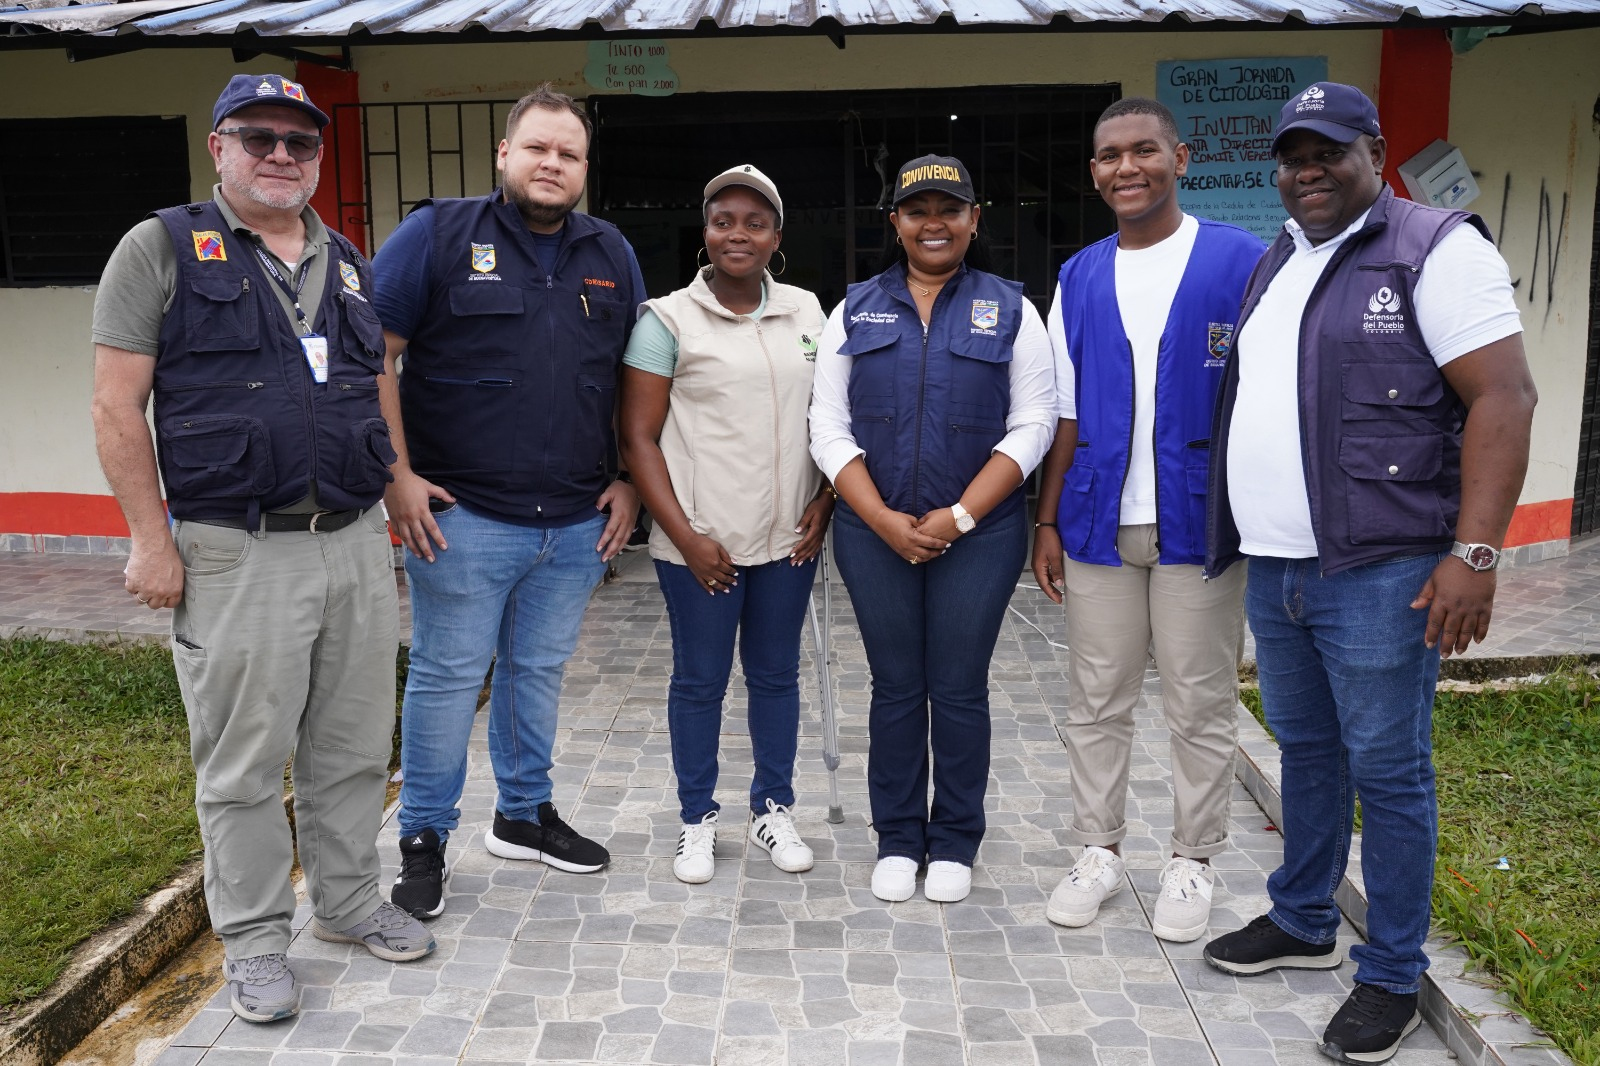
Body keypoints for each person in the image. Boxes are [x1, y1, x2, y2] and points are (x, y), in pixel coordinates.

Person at [1200, 82, 1536, 1064]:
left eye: (1328, 153)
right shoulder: (1281, 257)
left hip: (1384, 572)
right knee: (1307, 752)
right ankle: (1303, 916)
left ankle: (1389, 970)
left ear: (1375, 153)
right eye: (1292, 157)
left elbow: (1504, 397)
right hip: (1281, 567)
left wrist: (1474, 552)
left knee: (1389, 772)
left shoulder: (1436, 249)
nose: (1307, 171)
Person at [89, 74, 435, 1024]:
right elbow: (115, 405)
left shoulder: (347, 259)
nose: (282, 155)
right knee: (243, 761)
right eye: (259, 137)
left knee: (354, 744)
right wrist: (149, 540)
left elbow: (371, 382)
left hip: (353, 542)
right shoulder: (161, 247)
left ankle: (348, 903)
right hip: (237, 548)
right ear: (219, 146)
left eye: (300, 141)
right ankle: (251, 943)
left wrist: (397, 480)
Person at [370, 84, 645, 919]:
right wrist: (396, 476)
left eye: (569, 153)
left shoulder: (610, 250)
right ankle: (423, 836)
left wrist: (629, 479)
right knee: (449, 680)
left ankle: (523, 816)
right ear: (504, 153)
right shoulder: (436, 235)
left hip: (574, 524)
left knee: (537, 673)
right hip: (465, 519)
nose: (552, 163)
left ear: (585, 167)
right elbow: (373, 353)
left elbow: (636, 377)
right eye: (537, 147)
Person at [1032, 98, 1265, 942]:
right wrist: (1047, 521)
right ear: (1093, 171)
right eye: (1108, 155)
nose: (1125, 168)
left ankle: (1192, 859)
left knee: (1199, 702)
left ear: (1181, 157)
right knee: (1097, 699)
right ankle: (1097, 850)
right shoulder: (1080, 275)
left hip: (1200, 520)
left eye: (1143, 151)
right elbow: (1063, 410)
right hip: (1099, 520)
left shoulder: (1242, 260)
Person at [810, 155, 1056, 904]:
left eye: (950, 209)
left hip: (979, 537)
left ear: (974, 220)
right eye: (918, 211)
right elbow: (827, 425)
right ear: (896, 223)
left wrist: (961, 515)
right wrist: (880, 518)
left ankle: (953, 838)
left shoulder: (1012, 309)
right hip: (873, 532)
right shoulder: (854, 310)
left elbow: (1034, 423)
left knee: (957, 688)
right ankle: (896, 837)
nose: (934, 223)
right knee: (894, 686)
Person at [618, 165, 833, 884]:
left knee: (775, 677)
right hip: (701, 545)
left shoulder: (808, 312)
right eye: (723, 221)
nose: (738, 234)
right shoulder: (666, 320)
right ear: (705, 232)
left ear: (777, 236)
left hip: (788, 540)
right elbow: (637, 438)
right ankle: (696, 818)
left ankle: (772, 808)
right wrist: (684, 537)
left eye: (755, 223)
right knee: (700, 681)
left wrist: (827, 498)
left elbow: (832, 416)